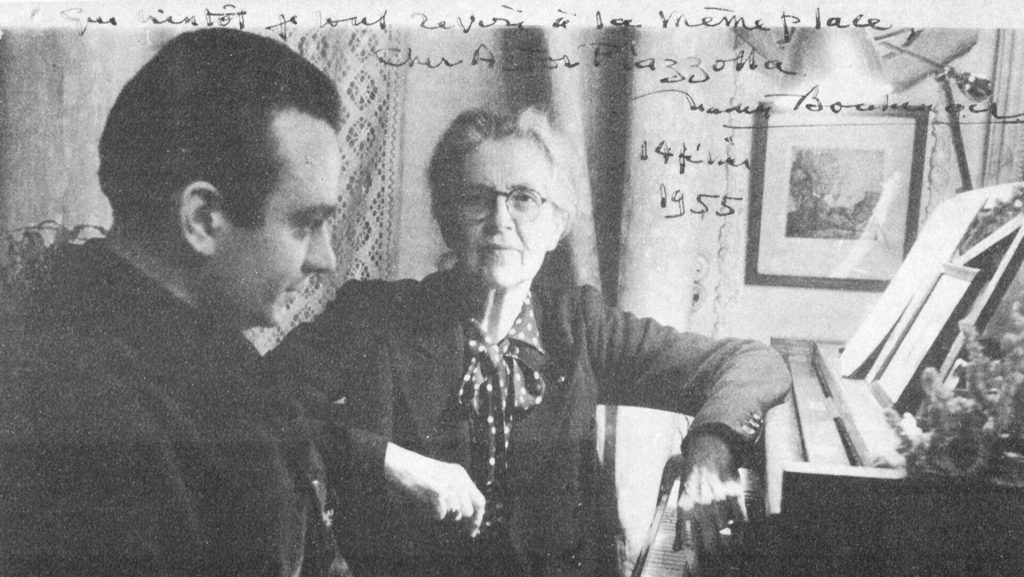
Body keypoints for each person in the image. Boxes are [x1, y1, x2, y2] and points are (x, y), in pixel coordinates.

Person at [269, 108, 791, 577]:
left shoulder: (580, 328)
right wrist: (394, 462)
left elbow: (753, 362)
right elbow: (252, 402)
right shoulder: (377, 316)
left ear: (557, 223)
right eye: (476, 199)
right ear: (446, 221)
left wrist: (710, 444)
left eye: (524, 199)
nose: (501, 221)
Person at [0, 29, 362, 576]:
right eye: (306, 223)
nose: (326, 258)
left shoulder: (207, 349)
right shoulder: (88, 420)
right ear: (202, 219)